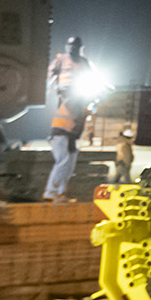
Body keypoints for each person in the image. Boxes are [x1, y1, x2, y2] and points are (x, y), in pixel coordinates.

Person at [45, 36, 92, 201]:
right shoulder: (69, 103)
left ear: (80, 48)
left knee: (70, 162)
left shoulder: (84, 64)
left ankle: (61, 193)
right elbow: (49, 76)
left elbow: (77, 124)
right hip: (61, 131)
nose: (72, 49)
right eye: (70, 45)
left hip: (69, 132)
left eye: (75, 46)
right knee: (64, 161)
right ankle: (51, 192)